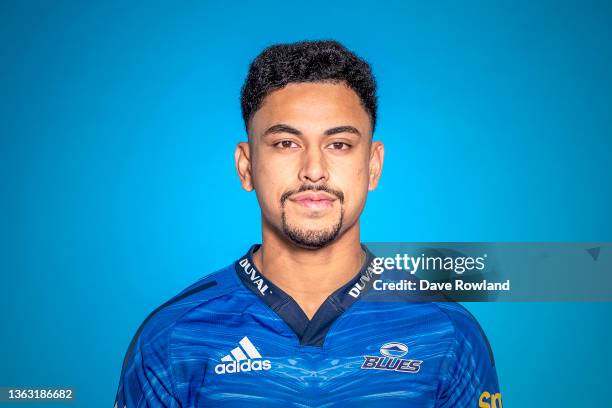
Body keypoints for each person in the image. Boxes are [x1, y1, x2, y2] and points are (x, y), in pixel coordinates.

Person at [114, 40, 502, 408]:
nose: (314, 171)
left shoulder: (447, 333)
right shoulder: (175, 335)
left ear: (373, 165)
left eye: (339, 144)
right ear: (246, 166)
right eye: (286, 143)